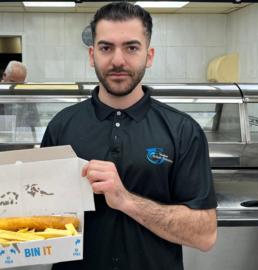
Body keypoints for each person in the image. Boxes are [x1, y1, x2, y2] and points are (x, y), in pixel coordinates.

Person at [40, 2, 217, 270]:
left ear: (149, 55)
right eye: (106, 48)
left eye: (131, 48)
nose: (118, 60)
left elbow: (205, 234)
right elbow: (39, 214)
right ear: (92, 55)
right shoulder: (61, 126)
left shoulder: (183, 130)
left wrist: (126, 200)